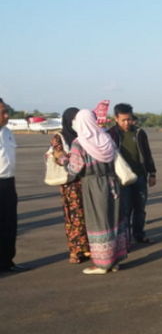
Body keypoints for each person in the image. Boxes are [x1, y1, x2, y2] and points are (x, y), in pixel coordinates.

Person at [60, 109, 128, 274]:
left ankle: (102, 264)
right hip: (112, 182)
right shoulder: (106, 139)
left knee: (98, 222)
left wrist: (62, 160)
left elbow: (75, 169)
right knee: (113, 219)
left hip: (94, 185)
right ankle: (114, 261)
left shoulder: (80, 143)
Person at [107, 103, 156, 244]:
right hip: (121, 178)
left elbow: (147, 154)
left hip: (140, 175)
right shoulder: (111, 134)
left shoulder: (139, 133)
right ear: (116, 118)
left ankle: (139, 234)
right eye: (123, 120)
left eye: (129, 119)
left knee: (140, 208)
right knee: (125, 209)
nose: (127, 122)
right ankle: (125, 238)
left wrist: (152, 173)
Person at [50, 107, 91, 264]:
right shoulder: (59, 137)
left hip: (86, 181)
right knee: (74, 216)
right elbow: (57, 154)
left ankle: (88, 247)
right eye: (73, 119)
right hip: (71, 184)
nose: (76, 122)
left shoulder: (85, 135)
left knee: (88, 215)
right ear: (68, 120)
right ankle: (75, 250)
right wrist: (68, 160)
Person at [0, 98, 27, 273]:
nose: (6, 115)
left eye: (6, 111)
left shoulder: (8, 132)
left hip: (9, 183)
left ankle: (7, 261)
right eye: (2, 112)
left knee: (10, 224)